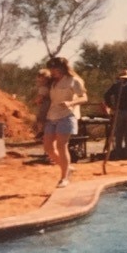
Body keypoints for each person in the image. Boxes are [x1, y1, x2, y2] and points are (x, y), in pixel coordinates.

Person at [43, 57, 88, 188]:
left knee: (62, 146)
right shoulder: (52, 82)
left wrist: (71, 103)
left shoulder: (74, 81)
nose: (52, 71)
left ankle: (64, 177)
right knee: (48, 147)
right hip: (52, 116)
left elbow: (84, 97)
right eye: (50, 68)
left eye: (54, 68)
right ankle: (67, 167)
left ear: (62, 68)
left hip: (67, 116)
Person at [34, 68, 52, 140]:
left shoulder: (43, 88)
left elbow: (40, 97)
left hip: (46, 103)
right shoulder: (50, 86)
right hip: (50, 103)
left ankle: (41, 131)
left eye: (41, 80)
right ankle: (43, 131)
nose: (40, 81)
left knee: (41, 117)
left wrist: (36, 101)